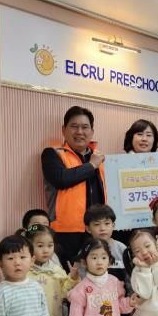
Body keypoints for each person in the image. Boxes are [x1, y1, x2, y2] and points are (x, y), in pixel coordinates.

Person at [42, 106, 106, 269]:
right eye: (74, 126)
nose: (80, 132)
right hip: (65, 232)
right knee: (68, 277)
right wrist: (91, 165)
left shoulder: (99, 158)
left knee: (96, 275)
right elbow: (61, 179)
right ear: (64, 130)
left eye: (85, 127)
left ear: (92, 132)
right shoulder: (52, 153)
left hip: (97, 230)